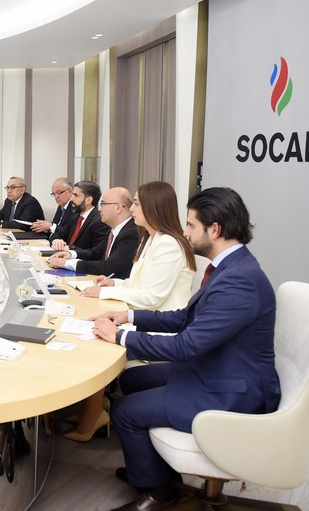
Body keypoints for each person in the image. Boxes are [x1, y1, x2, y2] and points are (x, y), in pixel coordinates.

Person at [93, 187, 279, 511]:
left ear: (214, 229)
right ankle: (157, 472)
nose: (186, 232)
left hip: (230, 391)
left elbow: (186, 346)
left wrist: (120, 337)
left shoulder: (239, 281)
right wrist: (128, 316)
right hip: (217, 368)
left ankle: (159, 493)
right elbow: (184, 318)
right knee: (131, 380)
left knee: (124, 412)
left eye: (191, 225)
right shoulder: (229, 268)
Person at [60, 181, 196, 443]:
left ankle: (94, 414)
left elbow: (153, 297)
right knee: (95, 329)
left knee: (97, 341)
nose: (131, 209)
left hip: (157, 327)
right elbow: (137, 285)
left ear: (154, 207)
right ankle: (95, 407)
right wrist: (113, 284)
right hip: (143, 316)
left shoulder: (169, 244)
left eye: (136, 204)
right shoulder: (152, 239)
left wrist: (104, 294)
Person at [47, 187, 138, 280]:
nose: (99, 209)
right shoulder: (114, 229)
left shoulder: (132, 233)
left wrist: (66, 263)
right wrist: (70, 254)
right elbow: (95, 253)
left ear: (118, 207)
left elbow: (109, 267)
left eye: (103, 204)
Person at [50, 180, 109, 251]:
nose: (71, 199)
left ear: (88, 200)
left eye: (76, 195)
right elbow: (59, 234)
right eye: (72, 195)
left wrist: (70, 249)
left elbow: (96, 252)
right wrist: (56, 241)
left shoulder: (100, 221)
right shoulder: (75, 217)